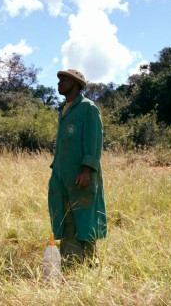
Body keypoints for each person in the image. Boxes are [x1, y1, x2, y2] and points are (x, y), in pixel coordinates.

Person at [48, 69, 107, 269]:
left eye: (63, 80)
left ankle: (85, 262)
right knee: (64, 215)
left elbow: (95, 141)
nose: (59, 83)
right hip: (61, 174)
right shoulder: (63, 110)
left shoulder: (88, 109)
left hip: (80, 174)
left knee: (82, 216)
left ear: (75, 83)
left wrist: (87, 169)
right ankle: (74, 261)